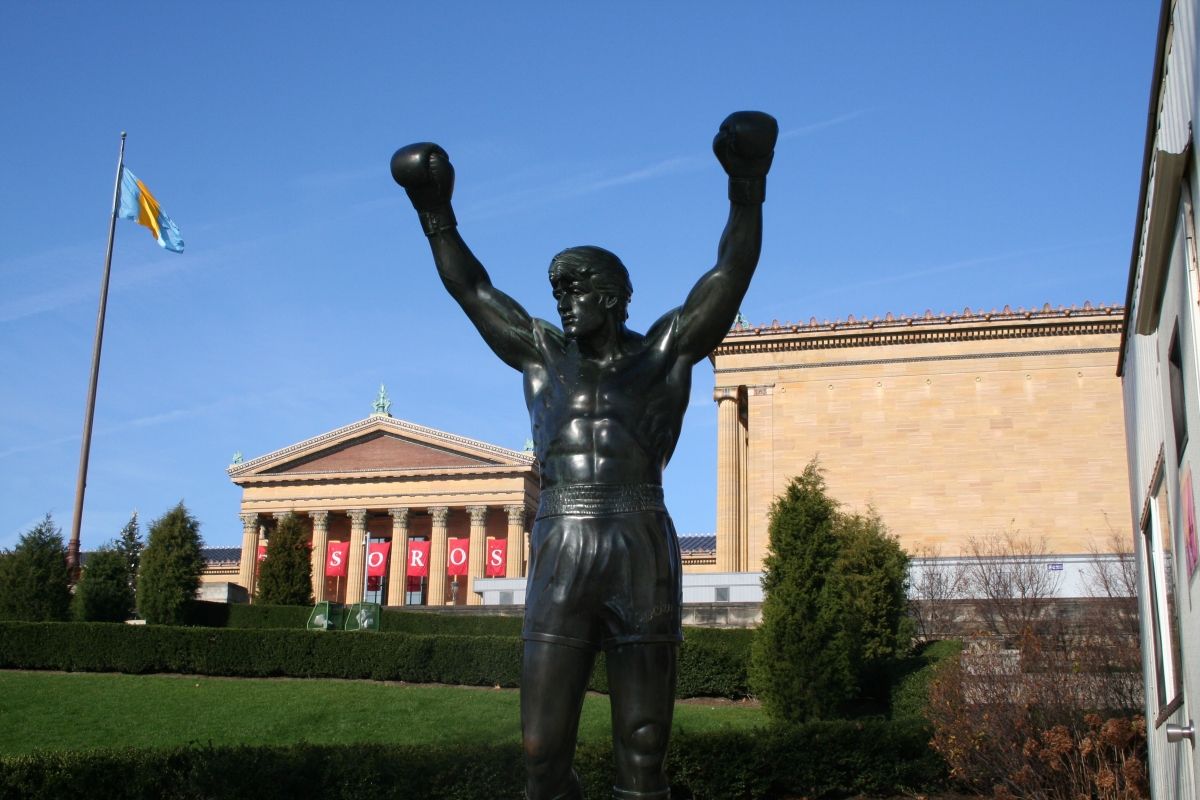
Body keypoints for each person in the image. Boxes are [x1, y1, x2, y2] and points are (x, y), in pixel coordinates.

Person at [391, 111, 777, 800]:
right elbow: (473, 290)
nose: (562, 302)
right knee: (540, 752)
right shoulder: (541, 352)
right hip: (563, 538)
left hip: (639, 543)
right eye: (556, 291)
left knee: (644, 748)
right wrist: (436, 213)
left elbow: (730, 272)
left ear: (611, 295)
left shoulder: (665, 351)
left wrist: (747, 186)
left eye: (573, 289)